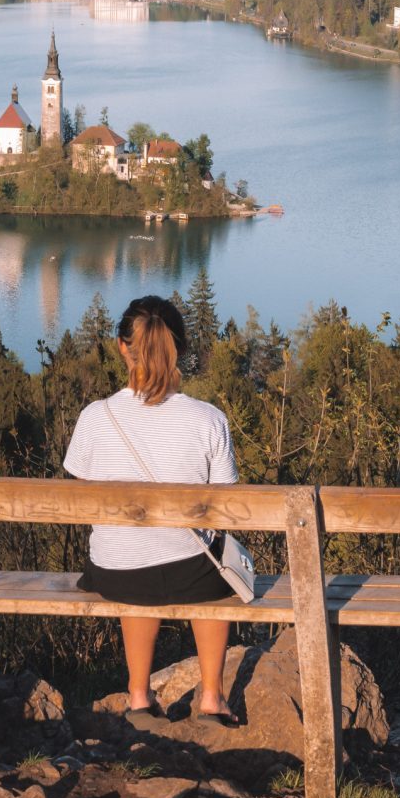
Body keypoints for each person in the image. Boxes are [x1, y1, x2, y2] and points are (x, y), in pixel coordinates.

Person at [63, 294, 240, 724]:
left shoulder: (94, 417)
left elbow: (78, 492)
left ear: (121, 346)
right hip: (191, 573)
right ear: (179, 347)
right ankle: (213, 699)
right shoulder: (208, 419)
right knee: (215, 570)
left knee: (132, 554)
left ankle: (139, 697)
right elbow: (227, 505)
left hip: (114, 570)